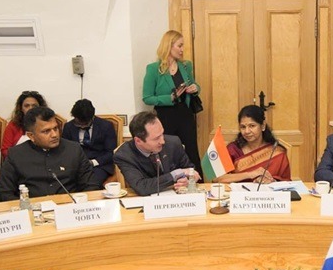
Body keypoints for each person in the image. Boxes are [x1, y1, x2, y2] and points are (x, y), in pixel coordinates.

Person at [0, 106, 100, 201]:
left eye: (55, 128)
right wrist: (25, 207)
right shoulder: (16, 154)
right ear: (31, 136)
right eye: (46, 131)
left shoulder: (74, 150)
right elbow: (3, 193)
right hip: (31, 210)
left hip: (69, 208)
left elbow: (91, 185)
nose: (54, 135)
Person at [142, 30, 202, 176]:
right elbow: (147, 97)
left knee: (191, 149)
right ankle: (169, 181)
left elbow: (194, 84)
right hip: (165, 116)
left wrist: (195, 88)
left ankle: (197, 182)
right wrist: (170, 98)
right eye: (179, 46)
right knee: (167, 151)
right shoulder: (153, 69)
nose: (182, 49)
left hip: (185, 113)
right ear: (169, 45)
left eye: (182, 46)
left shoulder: (186, 65)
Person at [114, 110, 200, 196]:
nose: (162, 141)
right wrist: (175, 174)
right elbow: (141, 187)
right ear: (138, 141)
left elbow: (190, 169)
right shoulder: (124, 155)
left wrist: (189, 179)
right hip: (144, 201)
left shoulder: (173, 142)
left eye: (162, 134)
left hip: (176, 197)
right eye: (156, 138)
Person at [214, 105, 291, 184]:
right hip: (238, 192)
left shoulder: (277, 152)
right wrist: (250, 174)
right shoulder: (233, 149)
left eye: (252, 126)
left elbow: (286, 183)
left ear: (263, 126)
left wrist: (272, 181)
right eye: (243, 127)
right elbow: (217, 178)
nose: (247, 131)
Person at [61, 99, 117, 186]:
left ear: (92, 118)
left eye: (83, 123)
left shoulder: (106, 126)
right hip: (76, 164)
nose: (81, 126)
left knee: (91, 184)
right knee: (67, 183)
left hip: (99, 165)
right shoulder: (69, 127)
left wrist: (93, 162)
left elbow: (111, 152)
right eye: (77, 122)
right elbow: (65, 149)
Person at [1, 91, 47, 159]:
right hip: (18, 161)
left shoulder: (48, 123)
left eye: (34, 106)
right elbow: (5, 150)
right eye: (26, 106)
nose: (30, 108)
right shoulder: (13, 125)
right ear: (21, 108)